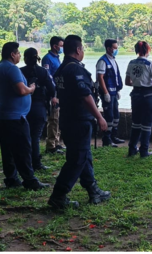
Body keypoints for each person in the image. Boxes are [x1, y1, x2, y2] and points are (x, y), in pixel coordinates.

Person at [48, 35, 110, 209]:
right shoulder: (75, 69)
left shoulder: (61, 69)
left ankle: (93, 190)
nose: (83, 52)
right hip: (78, 120)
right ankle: (58, 195)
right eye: (82, 49)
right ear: (77, 50)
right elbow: (85, 96)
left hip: (68, 119)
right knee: (77, 159)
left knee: (84, 156)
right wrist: (99, 116)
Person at [0, 42, 50, 190]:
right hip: (15, 117)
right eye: (17, 53)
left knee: (8, 149)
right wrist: (31, 88)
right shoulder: (12, 69)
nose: (19, 56)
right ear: (12, 54)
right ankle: (30, 180)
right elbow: (21, 90)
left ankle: (11, 179)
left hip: (3, 114)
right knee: (23, 149)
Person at [20, 48, 56, 171]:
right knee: (35, 137)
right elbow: (52, 89)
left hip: (23, 108)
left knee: (25, 137)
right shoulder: (43, 72)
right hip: (39, 107)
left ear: (25, 58)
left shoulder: (20, 72)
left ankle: (24, 162)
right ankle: (36, 163)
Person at [125, 41, 152, 158]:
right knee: (146, 124)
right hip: (147, 96)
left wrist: (137, 83)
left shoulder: (131, 63)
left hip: (135, 95)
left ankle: (132, 149)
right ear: (147, 50)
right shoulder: (149, 64)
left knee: (135, 123)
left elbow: (127, 82)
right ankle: (144, 151)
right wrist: (146, 84)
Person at [96, 39, 125, 147]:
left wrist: (117, 91)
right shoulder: (103, 61)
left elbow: (115, 77)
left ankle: (113, 136)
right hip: (107, 93)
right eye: (115, 48)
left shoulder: (112, 60)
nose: (116, 50)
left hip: (114, 92)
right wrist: (105, 92)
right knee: (109, 116)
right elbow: (100, 78)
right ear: (109, 49)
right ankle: (106, 139)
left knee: (116, 116)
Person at [42, 36, 65, 154]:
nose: (62, 48)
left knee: (58, 119)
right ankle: (51, 146)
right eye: (61, 45)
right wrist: (52, 96)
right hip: (52, 94)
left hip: (59, 93)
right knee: (53, 119)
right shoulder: (47, 59)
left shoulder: (57, 58)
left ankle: (57, 142)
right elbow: (47, 78)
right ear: (55, 46)